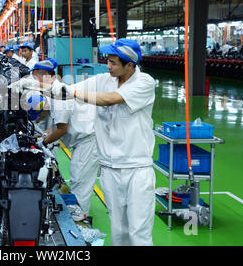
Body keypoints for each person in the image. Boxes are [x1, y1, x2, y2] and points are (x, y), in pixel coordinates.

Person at [49, 38, 156, 246]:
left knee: (138, 231)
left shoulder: (144, 82)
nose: (108, 66)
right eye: (107, 60)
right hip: (109, 168)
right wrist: (38, 87)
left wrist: (72, 93)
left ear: (130, 65)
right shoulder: (104, 79)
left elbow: (109, 99)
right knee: (118, 230)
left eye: (113, 63)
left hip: (136, 168)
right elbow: (67, 90)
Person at [31, 59, 100, 218]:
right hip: (81, 140)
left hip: (87, 142)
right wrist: (41, 132)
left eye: (35, 79)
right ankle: (78, 214)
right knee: (78, 178)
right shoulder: (52, 91)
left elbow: (62, 129)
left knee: (80, 181)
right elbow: (53, 118)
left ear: (46, 76)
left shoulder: (59, 93)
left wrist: (42, 143)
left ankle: (80, 219)